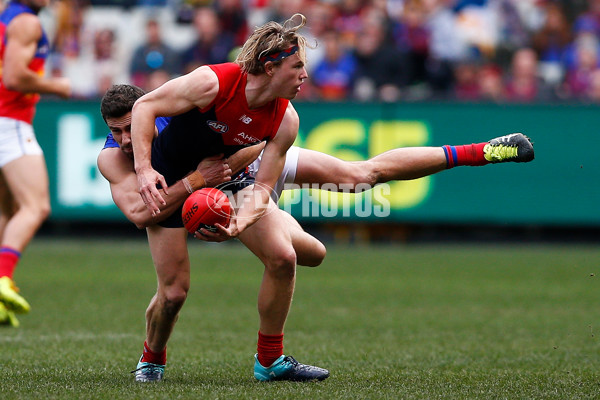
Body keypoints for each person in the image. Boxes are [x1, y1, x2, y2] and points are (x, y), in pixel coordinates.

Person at [118, 14, 534, 383]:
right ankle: (152, 359)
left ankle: (483, 151)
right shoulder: (213, 82)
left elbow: (262, 188)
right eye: (297, 66)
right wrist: (144, 169)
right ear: (270, 65)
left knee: (336, 205)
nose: (304, 75)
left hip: (238, 172)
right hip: (175, 177)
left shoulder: (286, 118)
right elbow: (145, 108)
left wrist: (241, 222)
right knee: (173, 294)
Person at [0, 0, 71, 328]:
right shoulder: (27, 22)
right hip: (10, 121)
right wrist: (56, 86)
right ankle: (2, 278)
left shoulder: (8, 16)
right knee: (36, 206)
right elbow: (14, 76)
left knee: (7, 210)